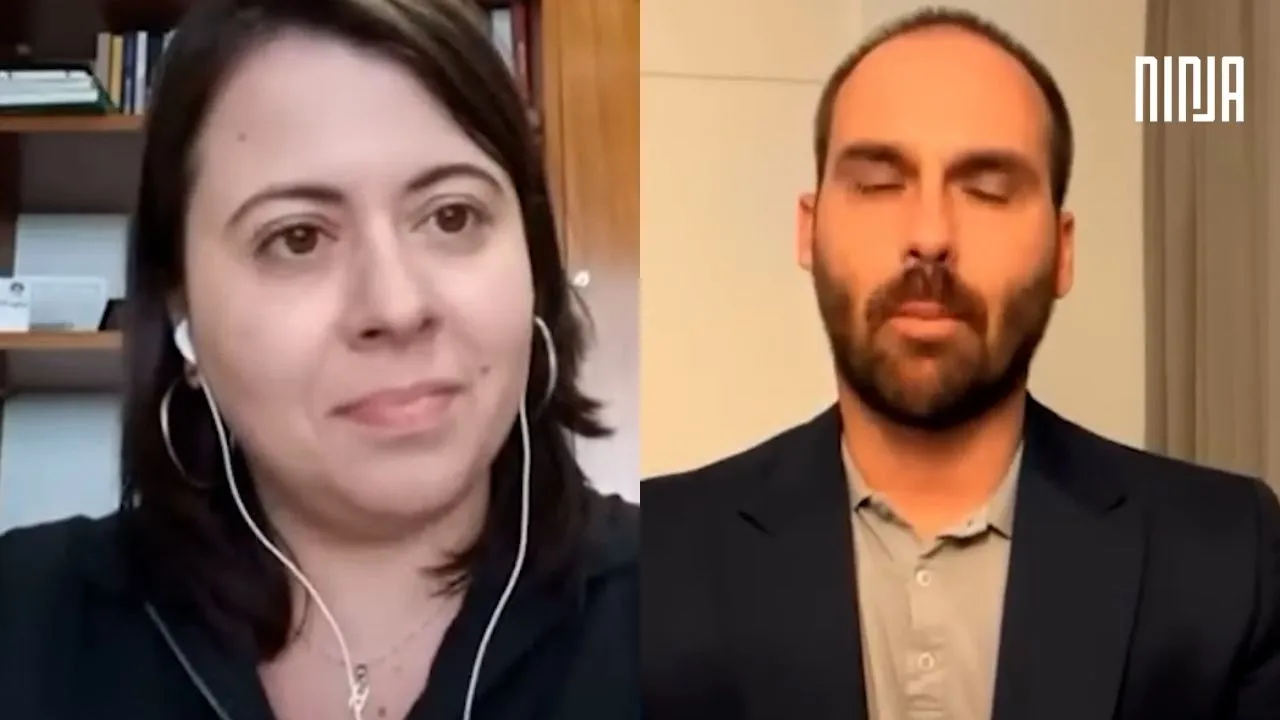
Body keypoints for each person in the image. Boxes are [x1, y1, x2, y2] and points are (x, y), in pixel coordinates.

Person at [0, 1, 638, 719]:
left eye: (451, 215)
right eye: (297, 238)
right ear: (181, 309)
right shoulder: (24, 626)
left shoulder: (684, 617)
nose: (397, 306)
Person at [641, 8, 1280, 720]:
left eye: (988, 190)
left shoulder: (1226, 558)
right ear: (809, 230)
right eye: (879, 184)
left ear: (1063, 251)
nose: (929, 236)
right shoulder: (652, 562)